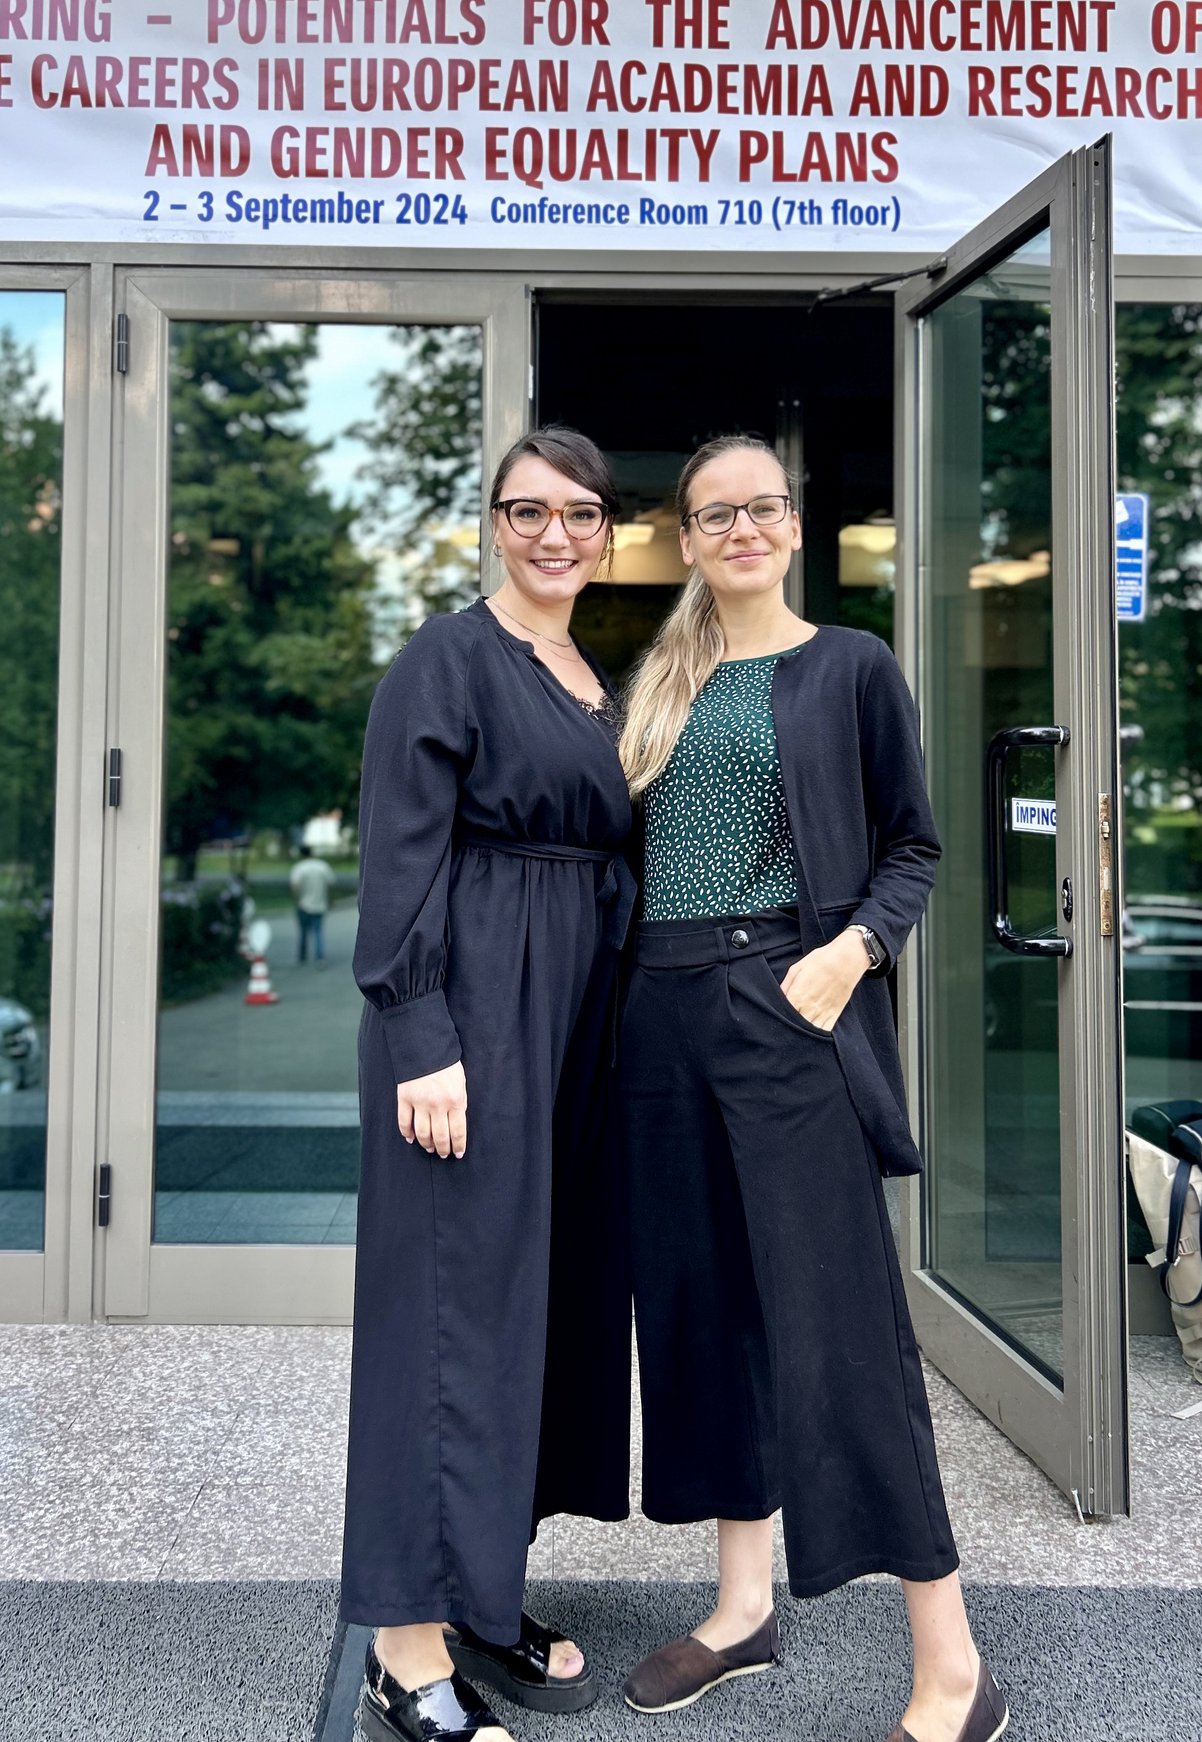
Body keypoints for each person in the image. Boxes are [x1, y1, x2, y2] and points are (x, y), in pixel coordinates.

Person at [614, 434, 1008, 1742]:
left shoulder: (850, 666)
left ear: (793, 523)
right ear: (686, 538)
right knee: (704, 1317)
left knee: (842, 1335)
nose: (738, 527)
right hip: (658, 1025)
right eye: (712, 511)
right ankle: (741, 1610)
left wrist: (848, 955)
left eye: (760, 506)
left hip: (781, 1008)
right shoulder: (663, 679)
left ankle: (953, 1666)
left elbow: (917, 845)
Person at [343, 426, 636, 1742]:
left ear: (609, 529)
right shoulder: (447, 659)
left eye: (580, 511)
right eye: (529, 510)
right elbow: (400, 857)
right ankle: (405, 1650)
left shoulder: (590, 675)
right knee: (446, 1315)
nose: (555, 532)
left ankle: (480, 1590)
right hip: (472, 1014)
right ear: (494, 522)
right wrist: (422, 1035)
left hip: (572, 1018)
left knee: (528, 1309)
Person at [289, 849, 334, 962]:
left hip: (304, 904)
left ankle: (302, 956)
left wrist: (297, 899)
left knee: (303, 932)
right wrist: (328, 899)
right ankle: (319, 957)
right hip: (320, 904)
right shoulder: (323, 866)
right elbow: (330, 884)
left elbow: (294, 886)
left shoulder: (299, 868)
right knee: (318, 931)